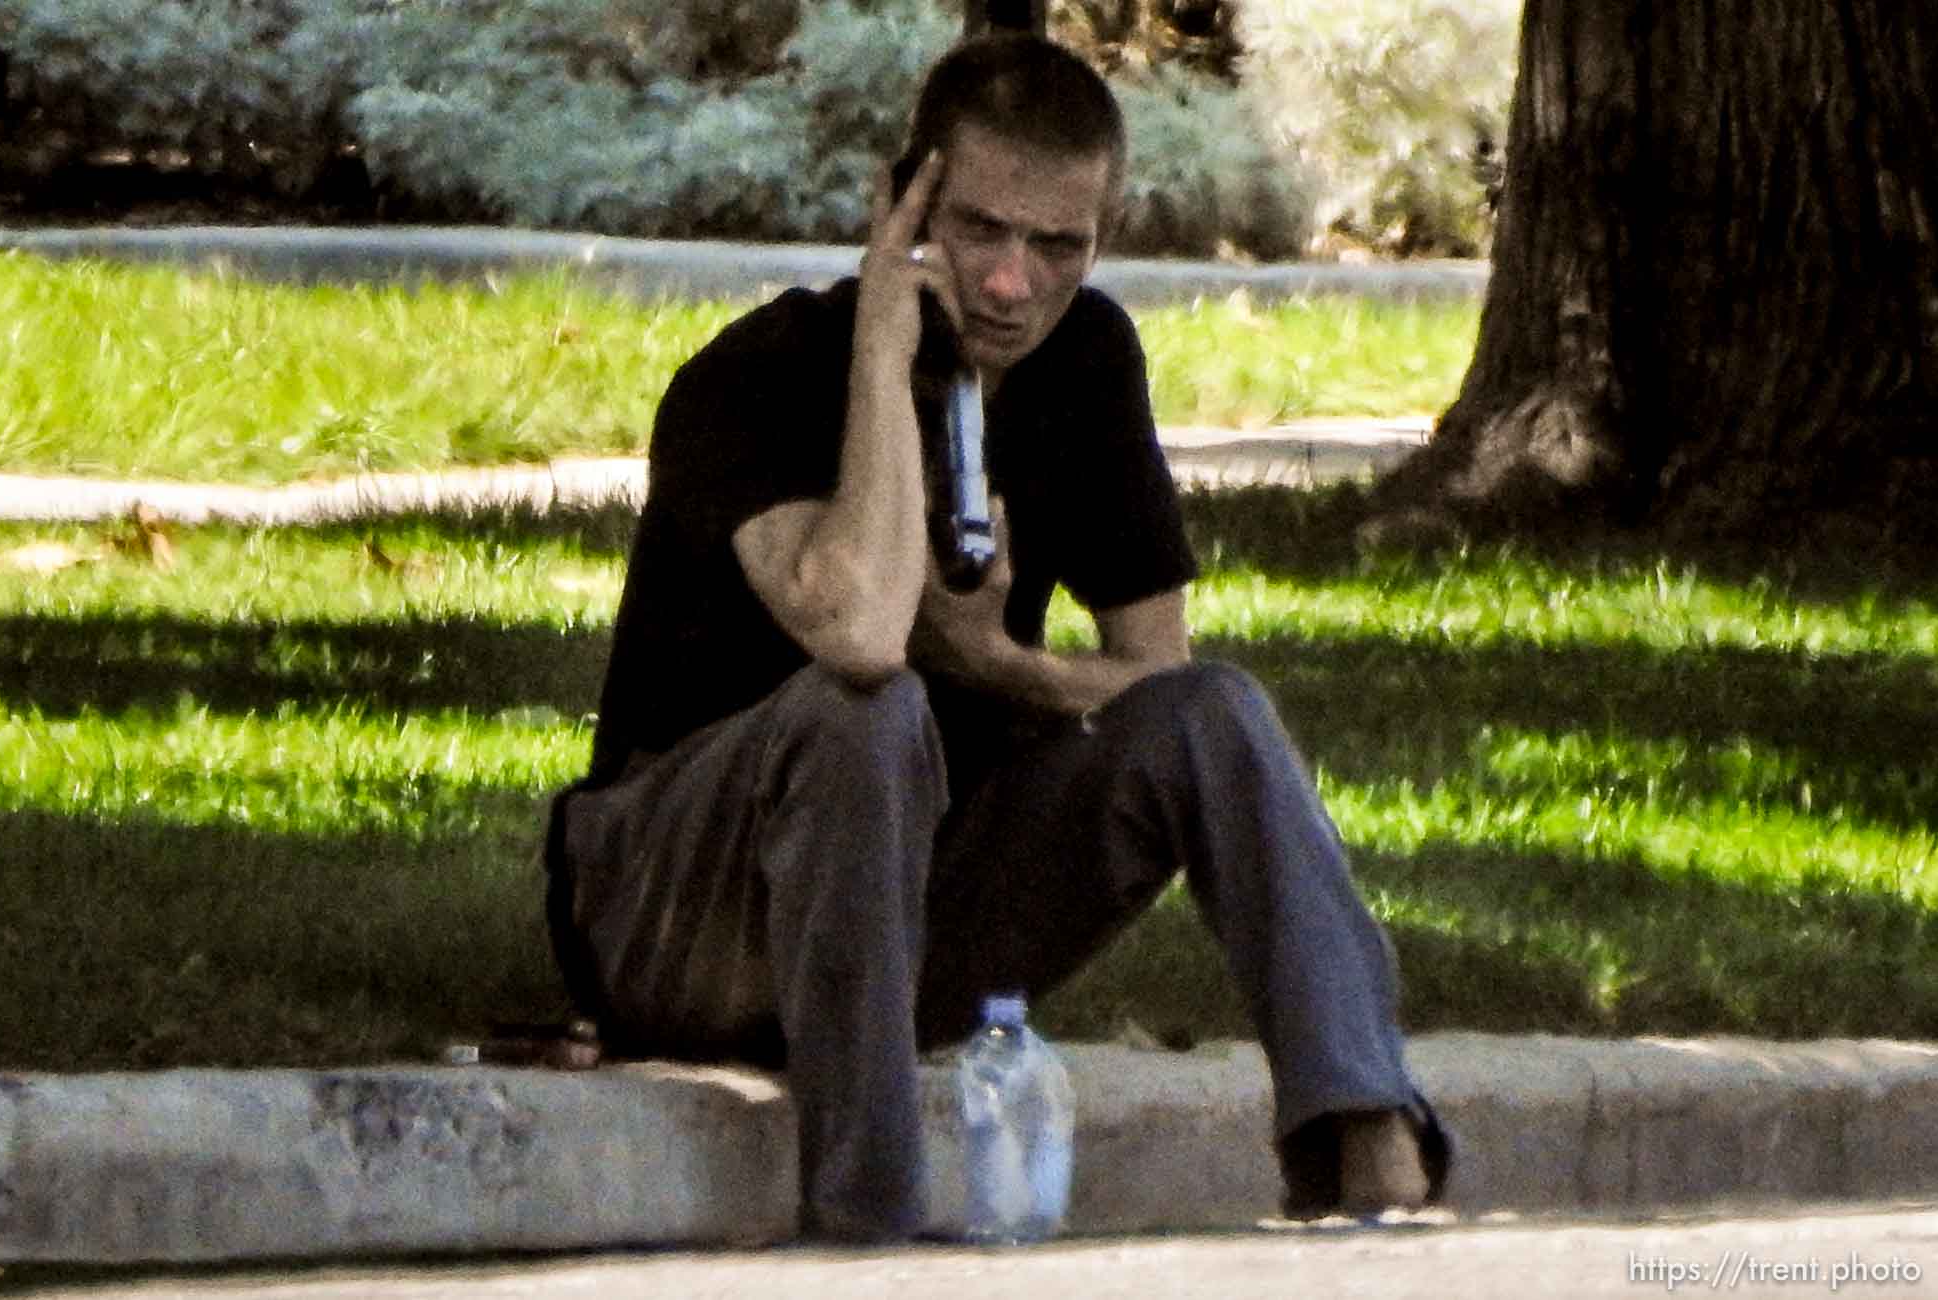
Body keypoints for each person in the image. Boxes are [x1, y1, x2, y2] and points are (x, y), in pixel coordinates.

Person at [544, 32, 1450, 1242]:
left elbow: (1156, 687)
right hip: (676, 917)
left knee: (1217, 712)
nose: (1013, 285)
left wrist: (999, 663)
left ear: (1104, 237)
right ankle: (869, 1229)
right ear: (904, 203)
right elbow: (861, 634)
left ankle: (1369, 1147)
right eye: (979, 231)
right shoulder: (753, 377)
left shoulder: (1087, 362)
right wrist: (885, 346)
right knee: (866, 712)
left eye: (1058, 245)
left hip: (901, 912)